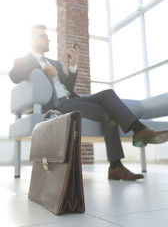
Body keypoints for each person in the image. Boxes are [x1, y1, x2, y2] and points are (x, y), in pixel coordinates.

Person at [9, 25, 168, 181]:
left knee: (108, 94)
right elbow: (15, 75)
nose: (47, 39)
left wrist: (73, 66)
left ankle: (129, 146)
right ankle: (120, 160)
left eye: (47, 36)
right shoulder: (23, 61)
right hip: (58, 106)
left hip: (73, 99)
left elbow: (69, 87)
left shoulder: (56, 63)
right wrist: (42, 66)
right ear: (32, 40)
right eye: (42, 36)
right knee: (109, 114)